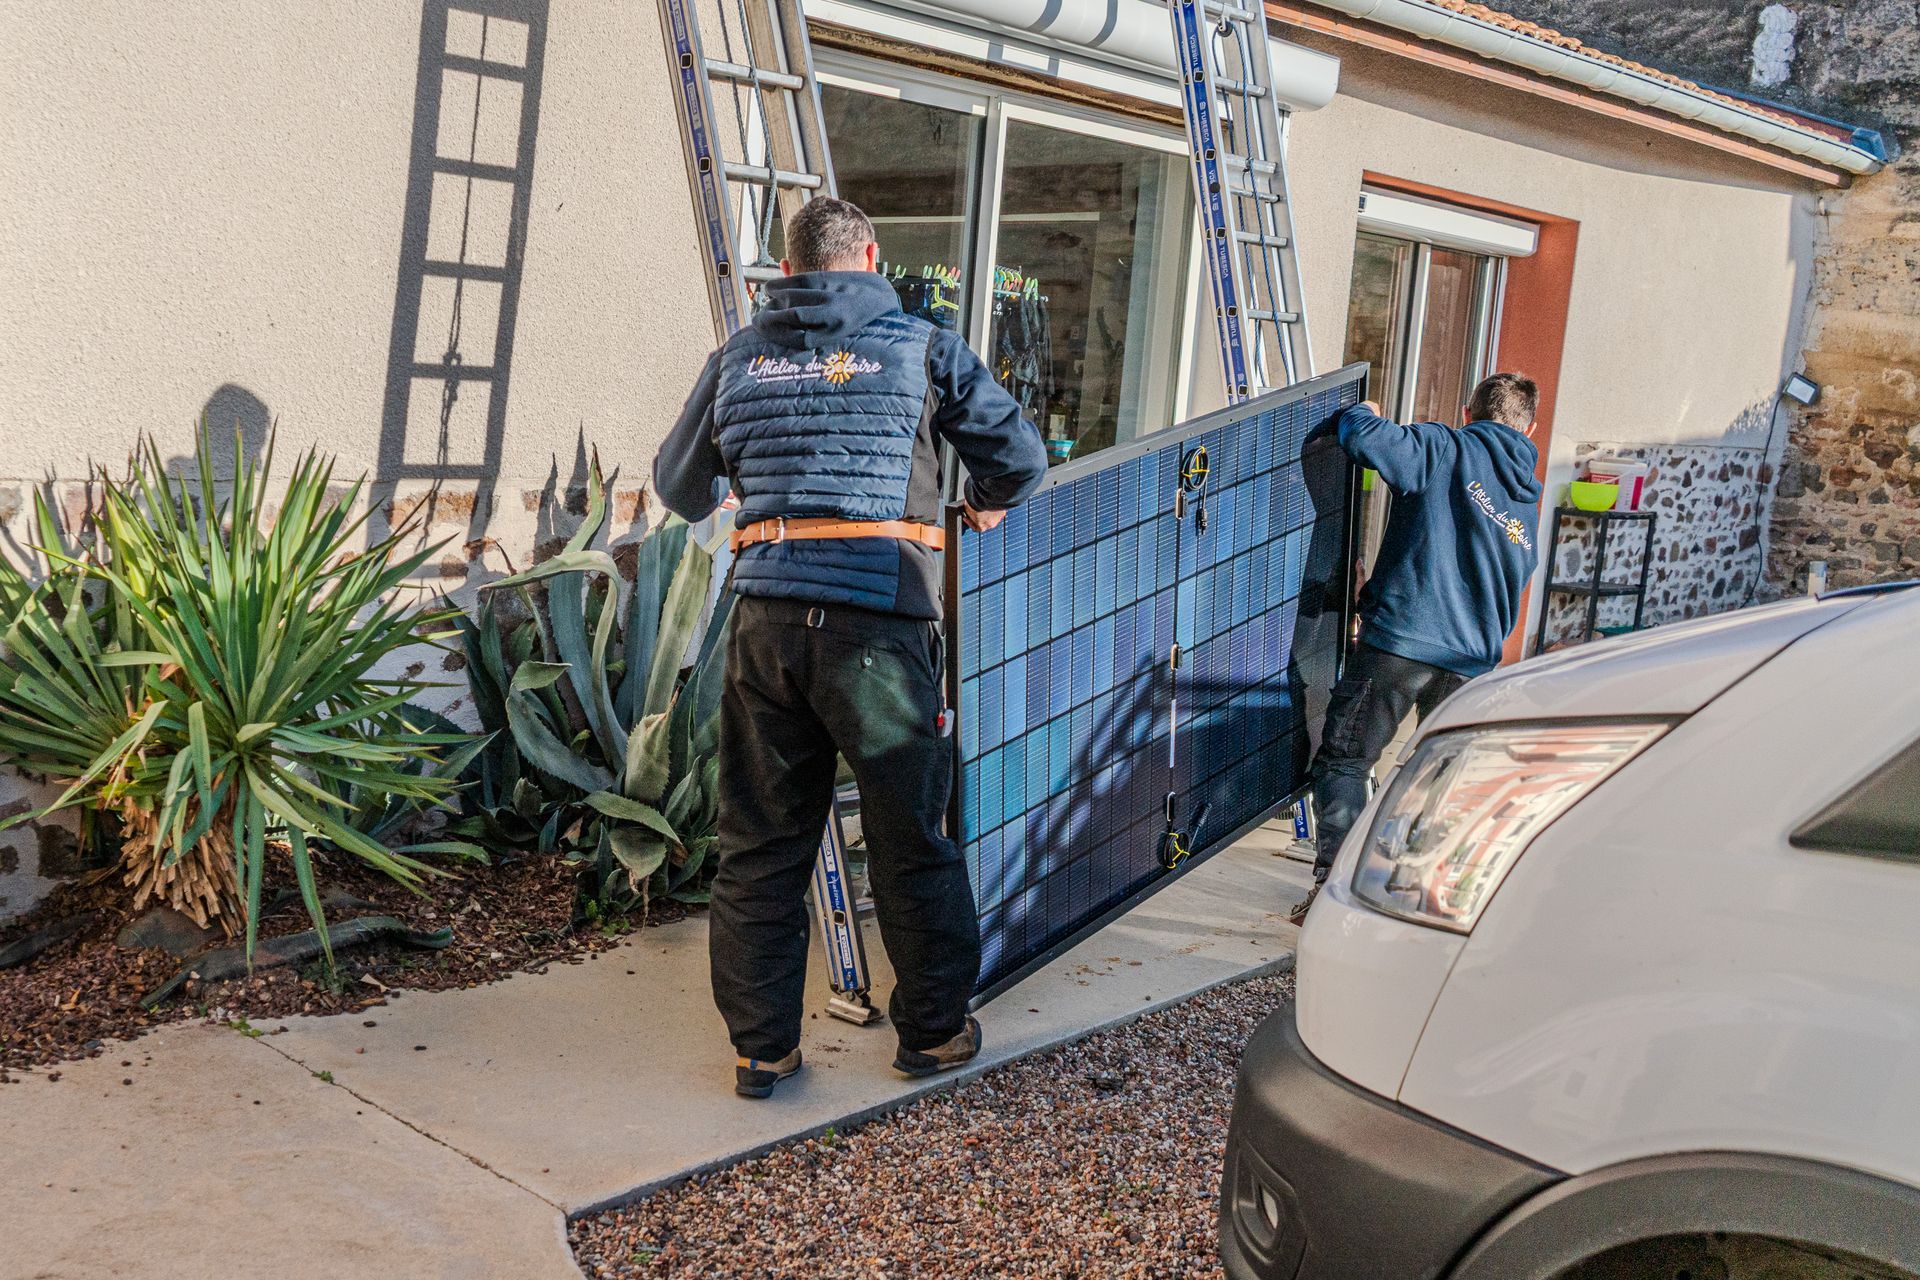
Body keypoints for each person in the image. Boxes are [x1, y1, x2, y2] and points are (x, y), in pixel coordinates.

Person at [654, 197, 1048, 1098]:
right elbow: (1019, 457)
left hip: (766, 622)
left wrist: (744, 493)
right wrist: (984, 503)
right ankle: (933, 1035)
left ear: (790, 269)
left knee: (759, 845)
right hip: (879, 621)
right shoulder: (922, 345)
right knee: (911, 839)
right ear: (870, 258)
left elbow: (680, 486)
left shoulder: (737, 357)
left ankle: (762, 1052)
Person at [1291, 373, 1544, 924]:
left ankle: (1335, 898)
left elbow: (1364, 438)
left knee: (1345, 760)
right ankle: (1413, 897)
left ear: (1467, 411)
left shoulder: (1443, 447)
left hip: (1400, 645)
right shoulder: (1527, 500)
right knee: (1444, 783)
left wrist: (1364, 409)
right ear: (1530, 429)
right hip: (1472, 664)